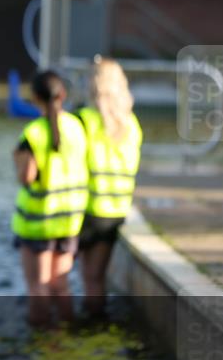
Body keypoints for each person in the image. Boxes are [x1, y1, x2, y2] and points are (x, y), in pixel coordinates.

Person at [11, 71, 88, 326]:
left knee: (38, 286)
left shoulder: (34, 133)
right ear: (62, 95)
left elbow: (27, 177)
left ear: (34, 98)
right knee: (61, 284)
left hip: (38, 222)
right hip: (69, 220)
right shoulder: (77, 127)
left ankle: (41, 340)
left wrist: (17, 161)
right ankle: (67, 333)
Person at [76, 58, 142, 316]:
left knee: (72, 277)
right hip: (115, 212)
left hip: (86, 211)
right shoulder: (132, 125)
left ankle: (74, 325)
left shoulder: (85, 120)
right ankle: (98, 322)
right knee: (97, 278)